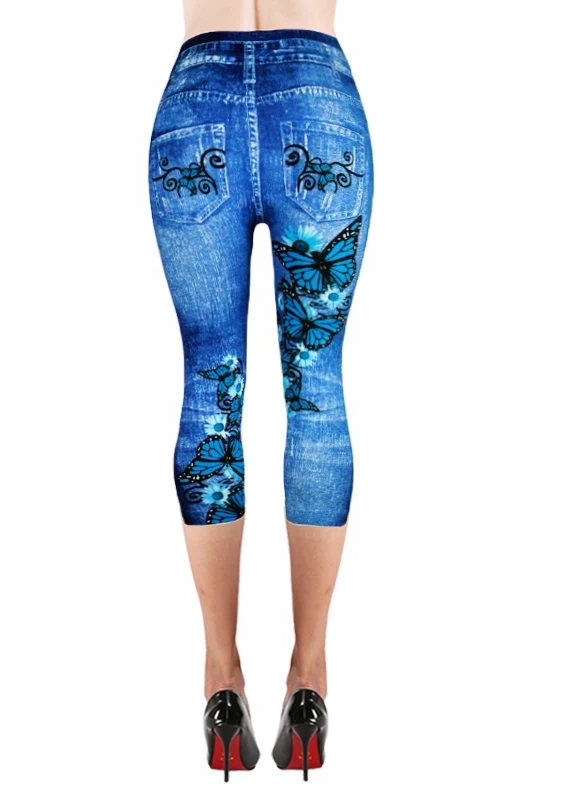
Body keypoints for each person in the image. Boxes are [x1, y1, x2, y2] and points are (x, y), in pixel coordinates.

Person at [148, 0, 373, 781]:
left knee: (209, 387)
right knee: (316, 392)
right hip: (317, 99)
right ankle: (308, 679)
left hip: (196, 108)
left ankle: (221, 681)